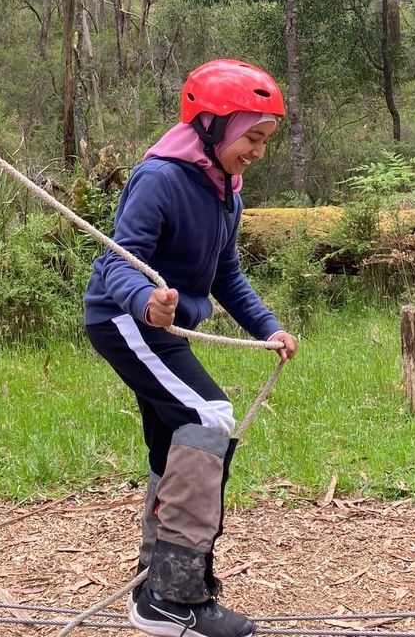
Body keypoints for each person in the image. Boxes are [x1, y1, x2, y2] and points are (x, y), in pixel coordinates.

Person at [84, 58, 298, 637]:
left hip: (162, 328)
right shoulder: (160, 178)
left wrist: (268, 328)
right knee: (210, 416)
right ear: (213, 125)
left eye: (264, 141)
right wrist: (143, 301)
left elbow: (225, 274)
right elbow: (115, 262)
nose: (256, 150)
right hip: (124, 321)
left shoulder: (225, 189)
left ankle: (153, 590)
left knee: (176, 448)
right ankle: (174, 596)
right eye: (251, 137)